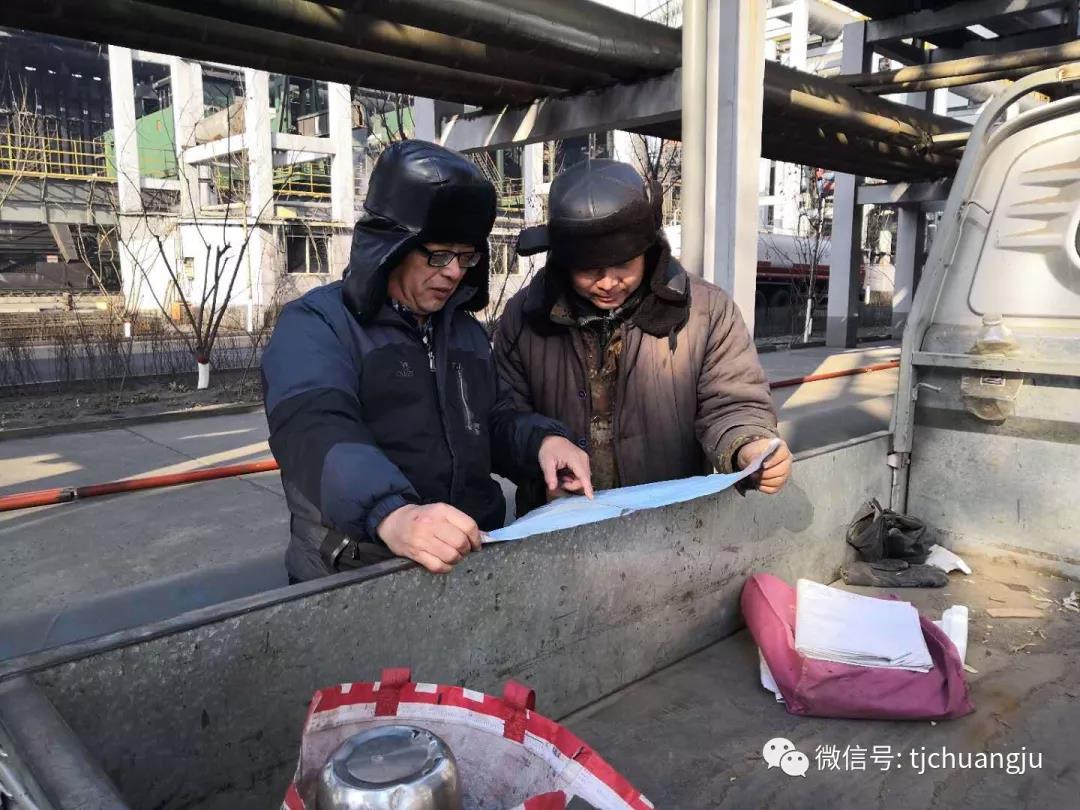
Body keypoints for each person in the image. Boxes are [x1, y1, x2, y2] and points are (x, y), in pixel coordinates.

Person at [262, 140, 591, 582]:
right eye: (439, 255)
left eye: (466, 256)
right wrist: (391, 514)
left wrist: (542, 443)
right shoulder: (318, 324)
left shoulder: (463, 332)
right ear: (391, 248)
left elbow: (492, 421)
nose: (454, 272)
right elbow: (316, 429)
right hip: (359, 568)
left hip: (469, 557)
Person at [495, 158, 791, 514]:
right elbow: (502, 417)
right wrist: (542, 443)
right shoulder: (524, 317)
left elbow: (732, 401)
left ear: (648, 253)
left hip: (670, 522)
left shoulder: (705, 311)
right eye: (589, 269)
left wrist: (748, 444)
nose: (607, 282)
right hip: (557, 523)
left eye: (624, 264)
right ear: (563, 262)